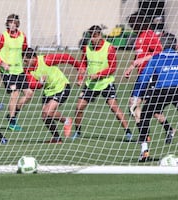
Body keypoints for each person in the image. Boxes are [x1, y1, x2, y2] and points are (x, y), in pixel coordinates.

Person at [72, 25, 133, 141]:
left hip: (105, 83)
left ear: (100, 35)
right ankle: (78, 132)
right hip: (91, 84)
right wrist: (80, 77)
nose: (93, 39)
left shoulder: (109, 48)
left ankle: (128, 132)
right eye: (91, 36)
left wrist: (98, 75)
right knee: (79, 107)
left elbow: (113, 68)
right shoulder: (86, 48)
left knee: (114, 107)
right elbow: (83, 64)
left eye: (95, 36)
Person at [124, 12, 174, 141]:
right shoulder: (138, 36)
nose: (131, 26)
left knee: (140, 106)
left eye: (132, 24)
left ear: (139, 23)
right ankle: (163, 131)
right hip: (142, 76)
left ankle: (145, 136)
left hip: (152, 76)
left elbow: (159, 52)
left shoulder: (149, 35)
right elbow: (138, 56)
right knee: (142, 108)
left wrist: (142, 60)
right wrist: (131, 67)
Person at [133, 33, 178, 162]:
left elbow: (143, 78)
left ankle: (144, 151)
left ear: (161, 45)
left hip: (160, 91)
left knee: (145, 116)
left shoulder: (156, 58)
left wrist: (136, 95)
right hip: (177, 90)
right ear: (175, 45)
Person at [22, 48, 82, 143]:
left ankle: (66, 120)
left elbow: (65, 57)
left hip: (61, 87)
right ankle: (57, 139)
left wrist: (79, 67)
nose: (25, 63)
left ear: (33, 58)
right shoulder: (28, 70)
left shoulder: (46, 60)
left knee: (48, 112)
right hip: (48, 91)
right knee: (45, 116)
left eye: (26, 61)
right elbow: (33, 85)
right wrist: (41, 82)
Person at [0, 14, 34, 131]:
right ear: (7, 23)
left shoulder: (22, 36)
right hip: (8, 71)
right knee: (15, 94)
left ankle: (12, 114)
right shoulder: (2, 36)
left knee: (29, 94)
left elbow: (25, 51)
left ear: (17, 24)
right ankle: (12, 122)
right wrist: (2, 63)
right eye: (10, 22)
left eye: (14, 22)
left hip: (19, 70)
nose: (12, 24)